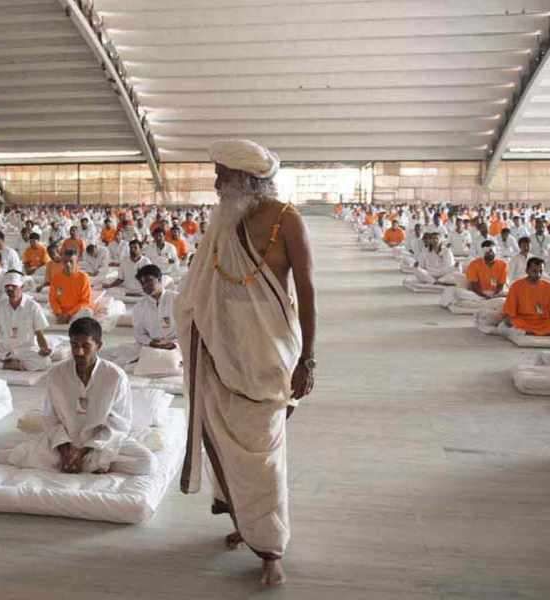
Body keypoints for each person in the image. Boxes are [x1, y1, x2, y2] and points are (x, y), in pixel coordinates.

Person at [176, 139, 315, 586]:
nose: (216, 184)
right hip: (223, 351)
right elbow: (200, 288)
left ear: (247, 182)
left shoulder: (286, 221)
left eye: (222, 176)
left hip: (270, 356)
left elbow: (307, 290)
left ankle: (271, 548)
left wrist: (308, 359)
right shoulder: (223, 221)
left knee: (263, 454)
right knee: (230, 444)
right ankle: (247, 521)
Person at [9, 317, 155, 475]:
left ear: (99, 346)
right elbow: (50, 419)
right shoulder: (56, 374)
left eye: (86, 346)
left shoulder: (115, 376)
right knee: (18, 456)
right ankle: (88, 464)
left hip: (100, 443)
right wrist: (66, 451)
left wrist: (83, 451)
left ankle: (83, 462)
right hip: (64, 441)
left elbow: (119, 424)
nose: (79, 352)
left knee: (146, 463)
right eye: (74, 345)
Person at [104, 264, 179, 368]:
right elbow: (139, 334)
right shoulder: (139, 307)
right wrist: (151, 342)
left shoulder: (177, 300)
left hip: (175, 345)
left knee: (167, 362)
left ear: (159, 279)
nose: (145, 286)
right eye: (142, 283)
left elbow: (188, 328)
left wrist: (173, 344)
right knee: (120, 355)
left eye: (149, 280)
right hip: (152, 345)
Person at [501, 257, 550, 336]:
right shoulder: (516, 286)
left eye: (540, 271)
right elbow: (510, 311)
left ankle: (531, 333)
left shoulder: (549, 286)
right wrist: (509, 320)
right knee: (512, 323)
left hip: (543, 321)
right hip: (524, 320)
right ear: (527, 271)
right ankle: (536, 333)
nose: (538, 274)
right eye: (534, 271)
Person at [49, 248, 92, 324]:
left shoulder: (83, 277)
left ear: (76, 262)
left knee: (87, 312)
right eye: (65, 262)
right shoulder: (56, 278)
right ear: (62, 262)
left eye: (71, 262)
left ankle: (70, 323)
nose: (68, 264)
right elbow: (53, 299)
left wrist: (69, 314)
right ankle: (67, 323)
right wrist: (59, 313)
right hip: (60, 313)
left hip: (76, 313)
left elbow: (85, 301)